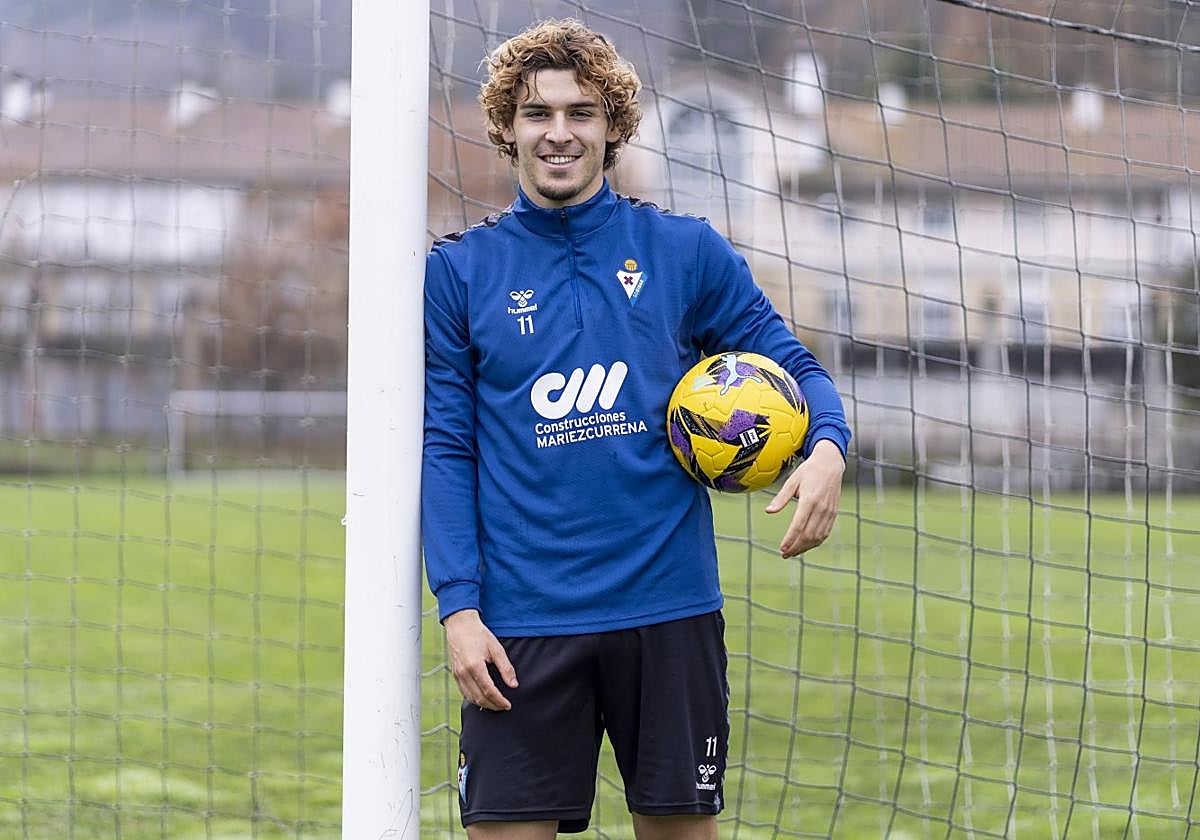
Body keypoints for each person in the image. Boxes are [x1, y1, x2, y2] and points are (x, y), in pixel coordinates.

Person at [422, 18, 851, 839]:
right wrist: (459, 610)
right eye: (537, 113)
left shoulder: (684, 251)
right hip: (521, 621)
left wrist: (827, 446)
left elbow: (797, 366)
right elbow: (446, 448)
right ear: (507, 127)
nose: (559, 132)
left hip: (668, 610)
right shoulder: (459, 274)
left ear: (612, 125)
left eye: (580, 112)